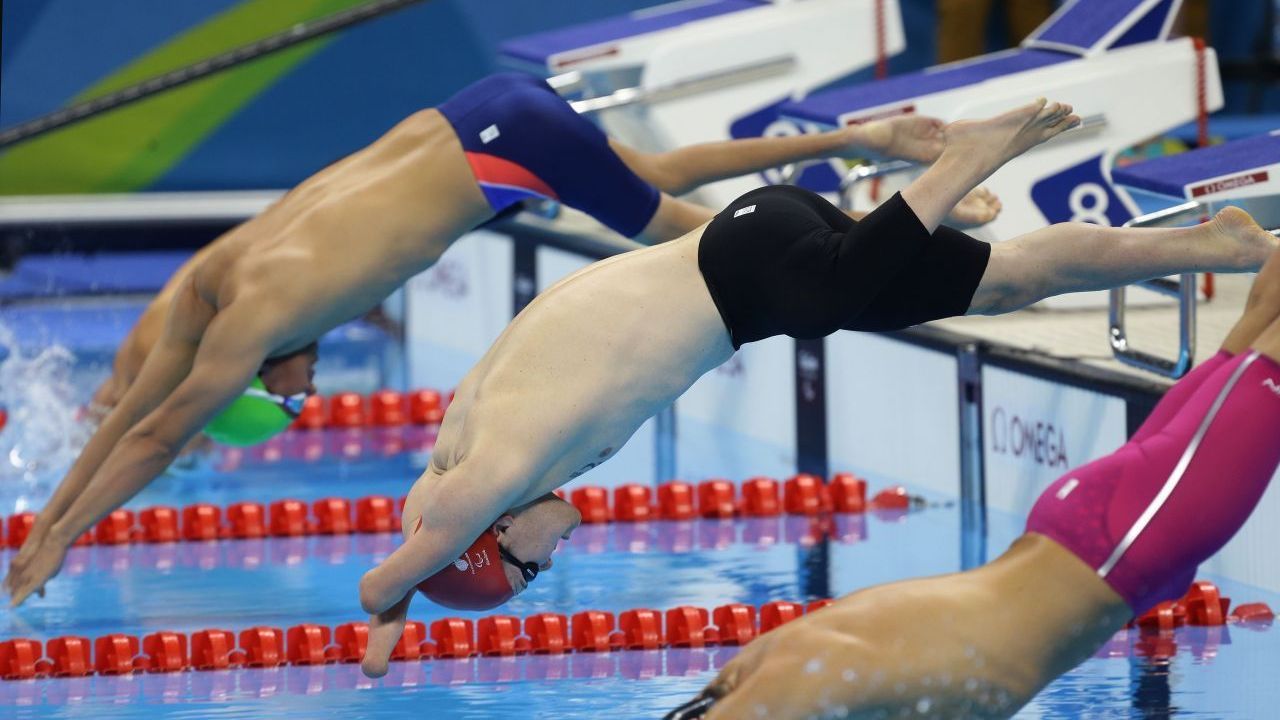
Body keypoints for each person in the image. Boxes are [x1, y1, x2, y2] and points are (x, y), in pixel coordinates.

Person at [353, 97, 1279, 679]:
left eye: (524, 570)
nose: (547, 569)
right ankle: (1216, 244)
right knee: (1006, 280)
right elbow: (418, 548)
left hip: (754, 276)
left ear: (493, 531)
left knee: (828, 304)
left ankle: (957, 166)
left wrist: (386, 616)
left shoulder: (503, 462)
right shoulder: (471, 438)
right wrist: (395, 632)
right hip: (754, 244)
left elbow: (389, 571)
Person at [2, 71, 971, 607]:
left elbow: (156, 435)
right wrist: (48, 522)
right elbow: (130, 411)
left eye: (290, 396)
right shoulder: (212, 277)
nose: (311, 385)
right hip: (479, 115)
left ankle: (932, 212)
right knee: (661, 183)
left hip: (497, 147)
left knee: (734, 250)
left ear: (258, 369)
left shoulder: (258, 315)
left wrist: (58, 544)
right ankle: (874, 149)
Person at [666, 238, 1280, 720]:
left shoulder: (780, 695)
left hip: (1121, 545)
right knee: (1262, 320)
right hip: (1094, 538)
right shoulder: (758, 672)